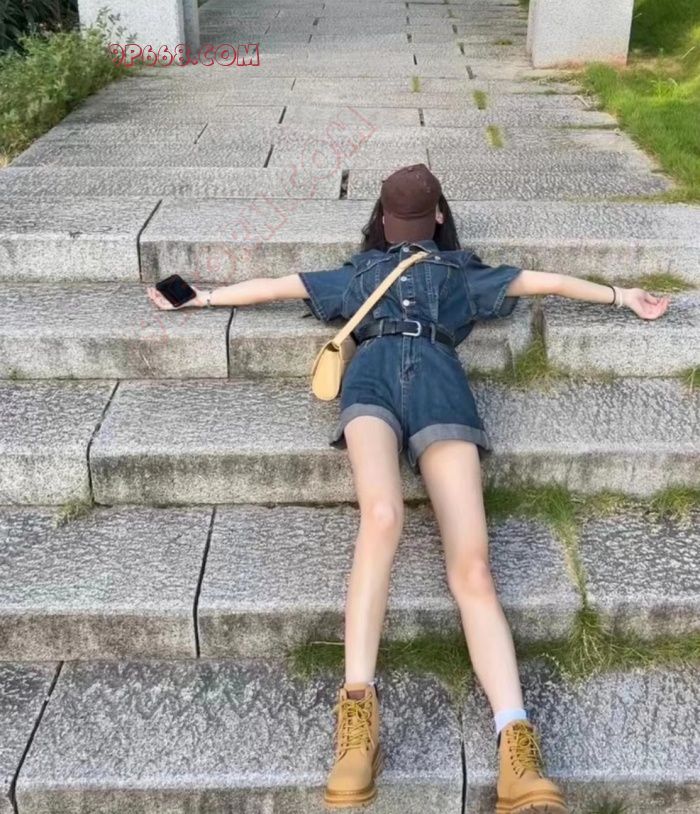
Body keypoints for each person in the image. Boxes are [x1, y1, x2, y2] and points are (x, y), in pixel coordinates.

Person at [147, 163, 669, 812]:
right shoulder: (364, 272)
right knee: (383, 516)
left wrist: (622, 295)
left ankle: (516, 744)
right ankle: (357, 721)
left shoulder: (459, 273)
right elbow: (548, 281)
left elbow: (544, 281)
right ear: (437, 216)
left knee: (472, 565)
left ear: (386, 220)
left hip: (440, 384)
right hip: (369, 380)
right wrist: (200, 297)